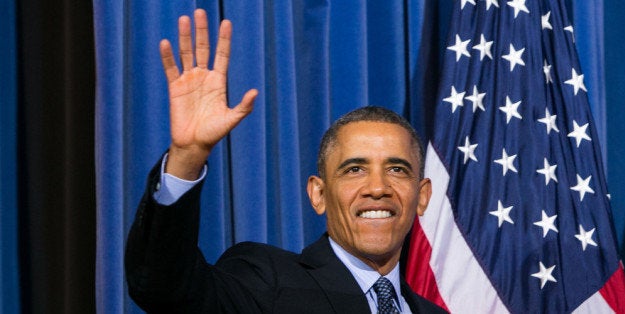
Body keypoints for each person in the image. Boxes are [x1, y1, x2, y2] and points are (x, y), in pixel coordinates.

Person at [125, 9, 447, 314]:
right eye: (354, 169)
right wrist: (187, 157)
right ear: (318, 194)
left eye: (396, 169)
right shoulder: (267, 283)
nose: (378, 187)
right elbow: (164, 288)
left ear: (422, 196)